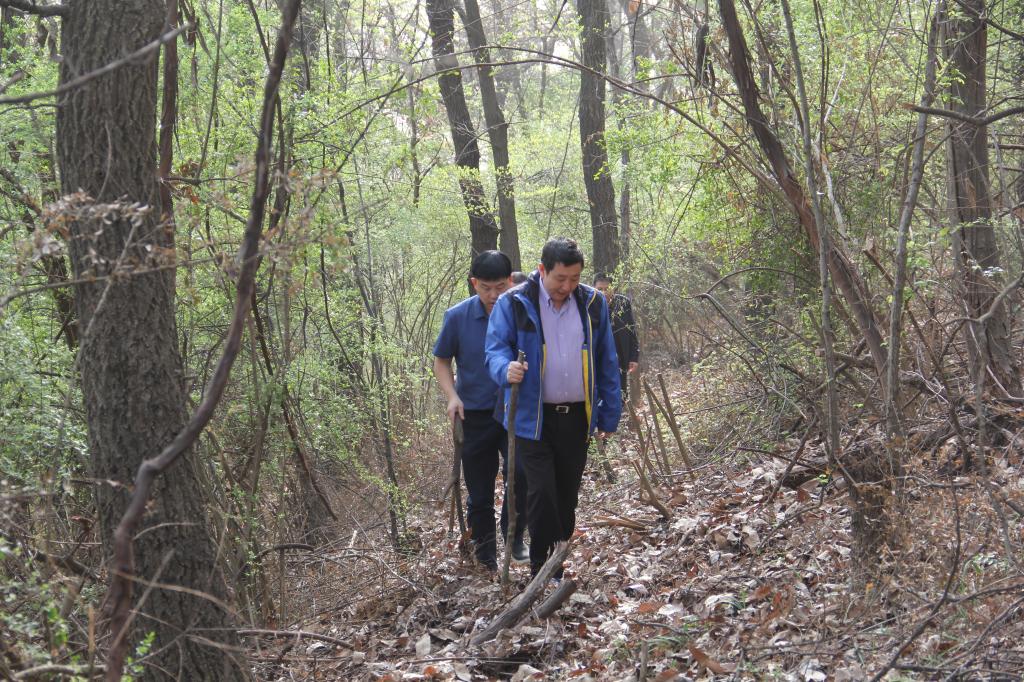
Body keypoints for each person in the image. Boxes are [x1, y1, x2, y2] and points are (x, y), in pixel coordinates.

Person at [485, 237, 622, 578]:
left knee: (566, 497)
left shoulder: (592, 303)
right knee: (541, 493)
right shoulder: (515, 302)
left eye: (574, 278)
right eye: (560, 278)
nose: (567, 286)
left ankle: (555, 562)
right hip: (532, 417)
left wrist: (609, 413)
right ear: (542, 270)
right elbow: (495, 349)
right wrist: (505, 369)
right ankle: (542, 571)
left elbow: (607, 359)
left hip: (577, 417)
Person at [433, 251, 528, 571]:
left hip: (515, 411)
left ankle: (513, 534)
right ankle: (486, 556)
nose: (493, 295)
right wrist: (452, 396)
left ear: (511, 281)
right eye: (486, 288)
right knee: (480, 490)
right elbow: (441, 361)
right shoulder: (457, 317)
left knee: (522, 475)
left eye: (500, 287)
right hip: (474, 414)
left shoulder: (523, 312)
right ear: (474, 284)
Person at [593, 273, 640, 399]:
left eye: (607, 289)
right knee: (599, 398)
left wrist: (634, 357)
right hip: (597, 360)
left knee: (620, 396)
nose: (604, 292)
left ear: (613, 289)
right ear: (594, 289)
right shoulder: (589, 305)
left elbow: (631, 330)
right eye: (600, 289)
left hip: (620, 358)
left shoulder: (623, 303)